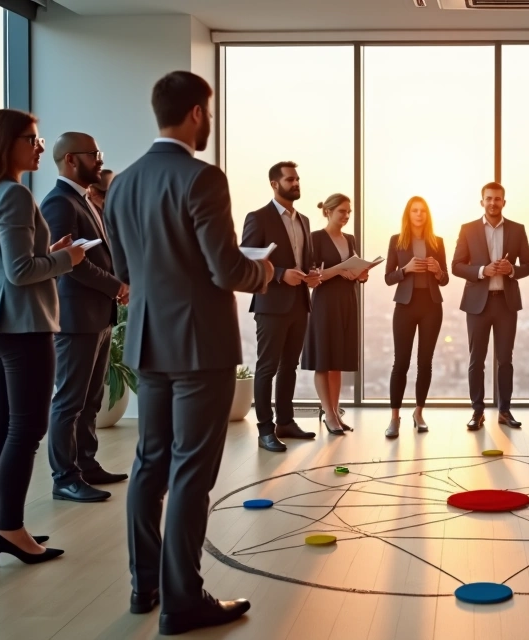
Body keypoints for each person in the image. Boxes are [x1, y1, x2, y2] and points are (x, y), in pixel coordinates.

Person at [106, 71, 268, 634]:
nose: (210, 121)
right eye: (210, 112)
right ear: (197, 112)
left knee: (149, 463)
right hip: (201, 346)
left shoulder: (122, 183)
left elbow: (124, 270)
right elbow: (227, 269)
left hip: (149, 341)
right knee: (192, 472)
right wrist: (265, 271)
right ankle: (182, 602)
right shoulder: (203, 178)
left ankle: (144, 586)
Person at [0, 109, 86, 566]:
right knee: (27, 428)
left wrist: (47, 253)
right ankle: (12, 530)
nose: (39, 147)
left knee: (1, 425)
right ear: (6, 144)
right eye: (31, 139)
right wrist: (67, 260)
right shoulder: (13, 194)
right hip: (22, 324)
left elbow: (5, 263)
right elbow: (19, 272)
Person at [42, 132, 128, 504]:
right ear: (71, 160)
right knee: (69, 401)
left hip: (97, 315)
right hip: (76, 318)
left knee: (91, 399)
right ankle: (64, 478)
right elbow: (71, 264)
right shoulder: (59, 202)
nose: (99, 159)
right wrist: (116, 286)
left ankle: (86, 465)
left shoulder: (83, 199)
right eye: (93, 154)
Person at [242, 161, 321, 452]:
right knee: (267, 368)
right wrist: (279, 274)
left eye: (297, 179)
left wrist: (311, 275)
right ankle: (265, 430)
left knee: (290, 366)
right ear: (275, 184)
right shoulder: (258, 218)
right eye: (290, 179)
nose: (296, 183)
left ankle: (286, 422)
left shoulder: (305, 220)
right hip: (271, 304)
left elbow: (303, 261)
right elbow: (248, 259)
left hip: (300, 302)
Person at [451, 182, 529, 431]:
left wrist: (512, 270)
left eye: (497, 199)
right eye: (489, 198)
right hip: (477, 304)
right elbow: (456, 265)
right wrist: (481, 271)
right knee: (476, 360)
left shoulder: (517, 230)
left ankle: (504, 411)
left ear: (503, 202)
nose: (493, 203)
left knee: (505, 360)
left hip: (506, 303)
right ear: (482, 202)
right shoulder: (468, 229)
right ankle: (477, 411)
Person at [384, 196, 449, 437]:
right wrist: (406, 269)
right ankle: (394, 418)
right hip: (405, 305)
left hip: (431, 306)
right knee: (400, 363)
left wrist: (438, 271)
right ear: (408, 214)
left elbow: (445, 279)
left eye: (423, 210)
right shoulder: (397, 241)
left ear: (427, 215)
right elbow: (388, 277)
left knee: (425, 362)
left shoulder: (437, 242)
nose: (419, 214)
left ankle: (419, 413)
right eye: (415, 210)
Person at [302, 193, 366, 435]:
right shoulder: (316, 238)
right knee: (323, 360)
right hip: (324, 303)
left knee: (337, 361)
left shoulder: (350, 239)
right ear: (328, 211)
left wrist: (361, 274)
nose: (346, 216)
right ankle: (328, 414)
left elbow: (354, 270)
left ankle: (335, 412)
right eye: (342, 211)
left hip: (347, 301)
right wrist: (340, 270)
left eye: (349, 212)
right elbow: (313, 276)